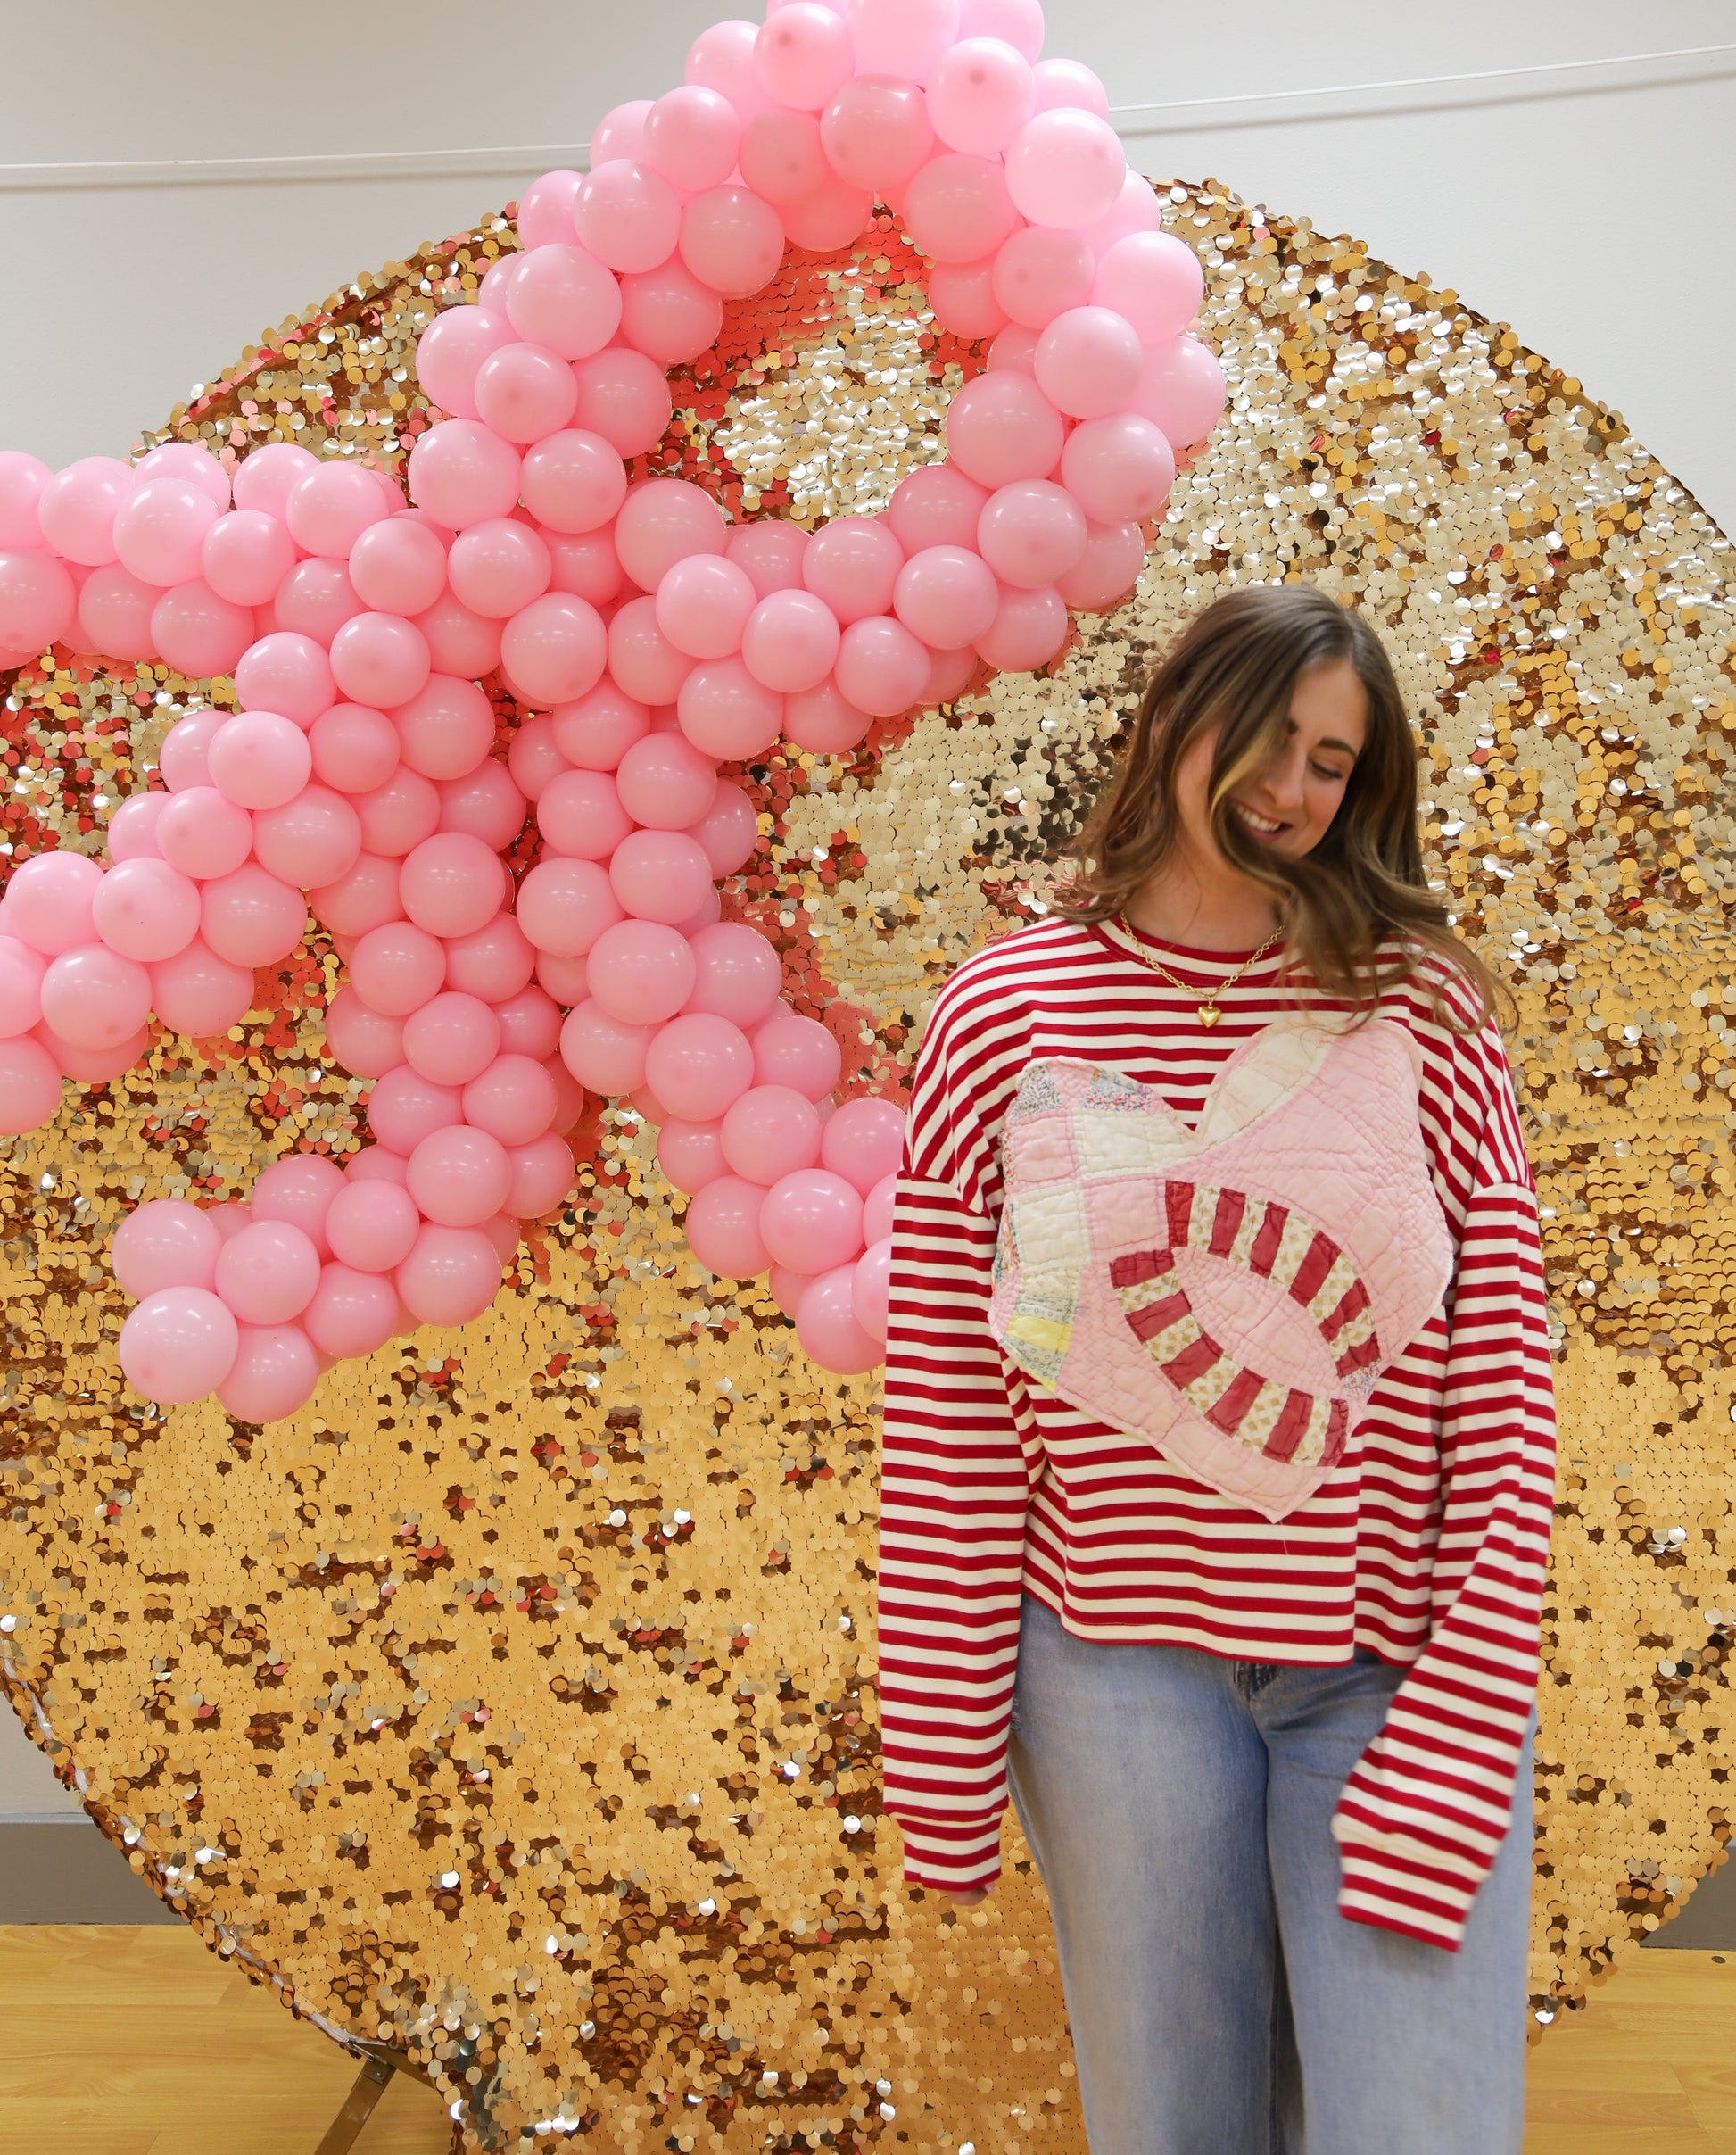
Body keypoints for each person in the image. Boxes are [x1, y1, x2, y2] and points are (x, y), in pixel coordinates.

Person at [877, 582, 1556, 2155]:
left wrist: (1466, 1699)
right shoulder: (1005, 1008)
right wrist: (942, 1739)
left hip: (1384, 1673)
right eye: (1270, 736)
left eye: (1333, 761)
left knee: (1415, 2129)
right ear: (1178, 714)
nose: (1291, 788)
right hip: (1113, 1674)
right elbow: (951, 1403)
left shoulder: (1418, 1007)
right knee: (1175, 2128)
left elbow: (1504, 1386)